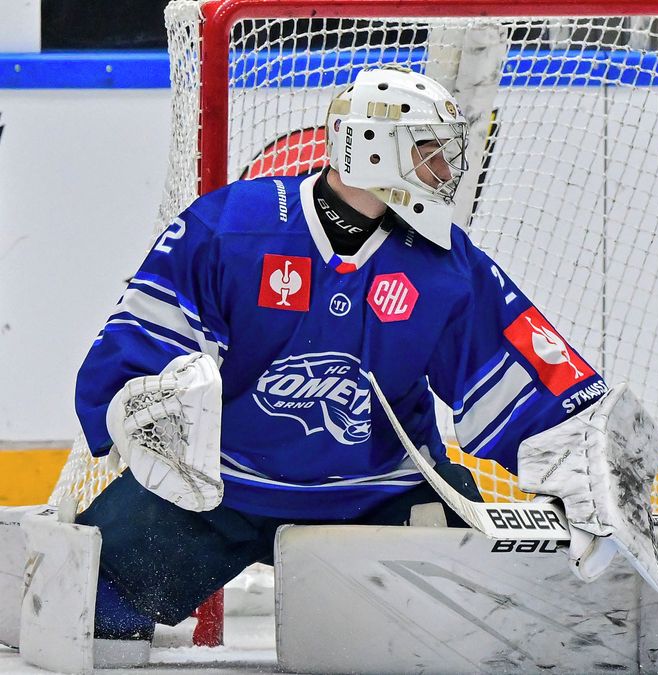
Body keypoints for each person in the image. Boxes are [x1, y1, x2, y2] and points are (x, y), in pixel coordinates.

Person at [72, 65, 618, 648]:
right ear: (376, 149)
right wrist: (136, 410)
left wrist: (580, 469)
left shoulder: (445, 263)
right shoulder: (232, 228)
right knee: (81, 609)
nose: (447, 170)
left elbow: (525, 375)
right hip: (219, 490)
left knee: (475, 632)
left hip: (383, 496)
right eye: (430, 152)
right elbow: (142, 346)